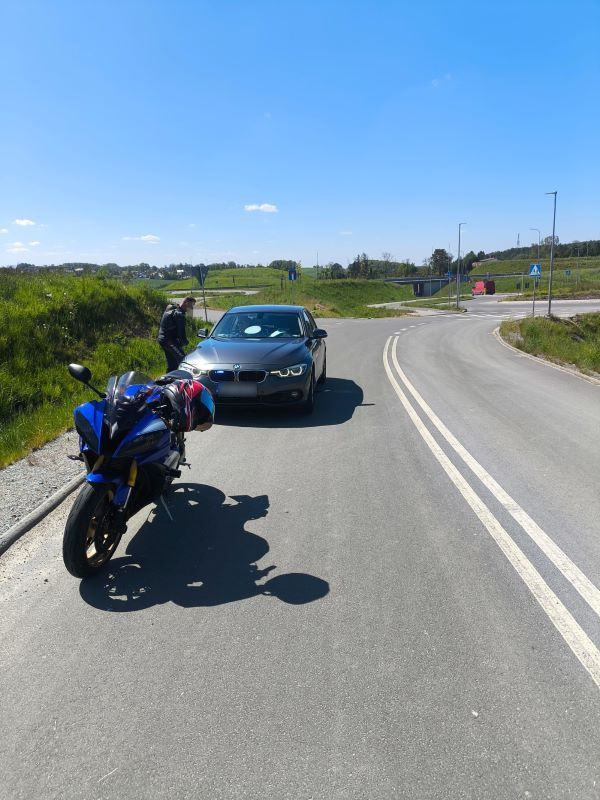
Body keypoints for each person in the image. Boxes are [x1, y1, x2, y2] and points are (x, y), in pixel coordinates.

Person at [157, 296, 196, 371]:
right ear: (186, 303)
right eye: (191, 305)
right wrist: (185, 343)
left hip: (163, 339)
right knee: (183, 360)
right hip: (169, 341)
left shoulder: (172, 308)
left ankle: (168, 379)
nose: (192, 308)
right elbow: (181, 334)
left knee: (172, 363)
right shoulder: (179, 315)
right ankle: (184, 378)